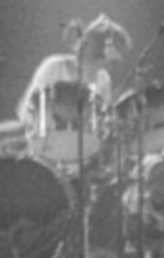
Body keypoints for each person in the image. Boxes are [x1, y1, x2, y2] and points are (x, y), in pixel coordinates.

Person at [16, 15, 132, 158]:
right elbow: (26, 113)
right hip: (45, 150)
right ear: (99, 49)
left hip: (84, 153)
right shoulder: (54, 67)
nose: (113, 63)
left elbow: (100, 126)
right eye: (113, 56)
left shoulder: (103, 79)